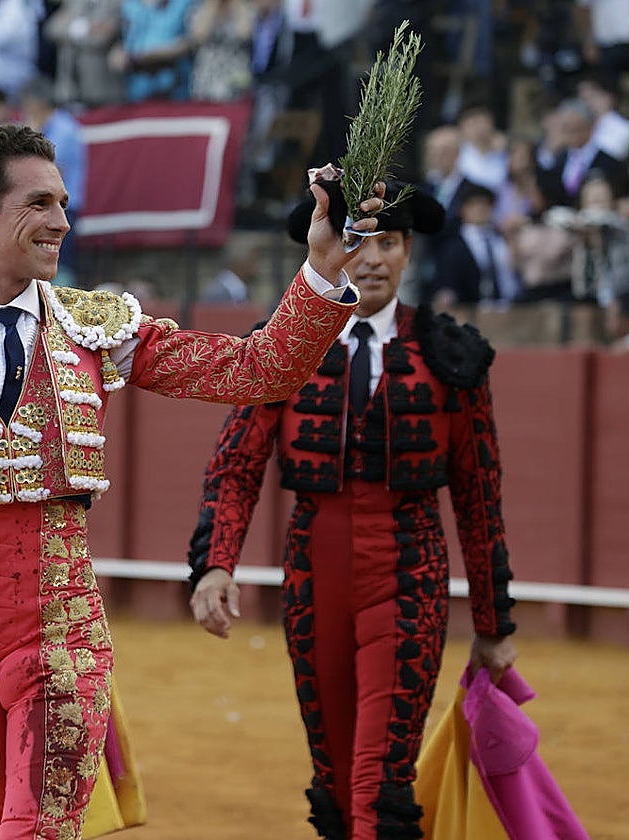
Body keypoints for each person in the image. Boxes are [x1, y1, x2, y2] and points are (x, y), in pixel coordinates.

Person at [0, 124, 376, 839]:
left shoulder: (95, 327)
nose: (63, 222)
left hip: (59, 619)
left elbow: (256, 370)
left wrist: (319, 272)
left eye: (63, 203)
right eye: (40, 203)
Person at [186, 185, 519, 840]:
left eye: (387, 243)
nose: (370, 259)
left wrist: (492, 621)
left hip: (409, 579)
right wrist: (214, 564)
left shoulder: (450, 358)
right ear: (332, 248)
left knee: (379, 777)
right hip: (312, 579)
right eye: (357, 241)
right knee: (334, 773)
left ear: (408, 252)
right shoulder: (283, 347)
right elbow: (237, 464)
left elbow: (480, 498)